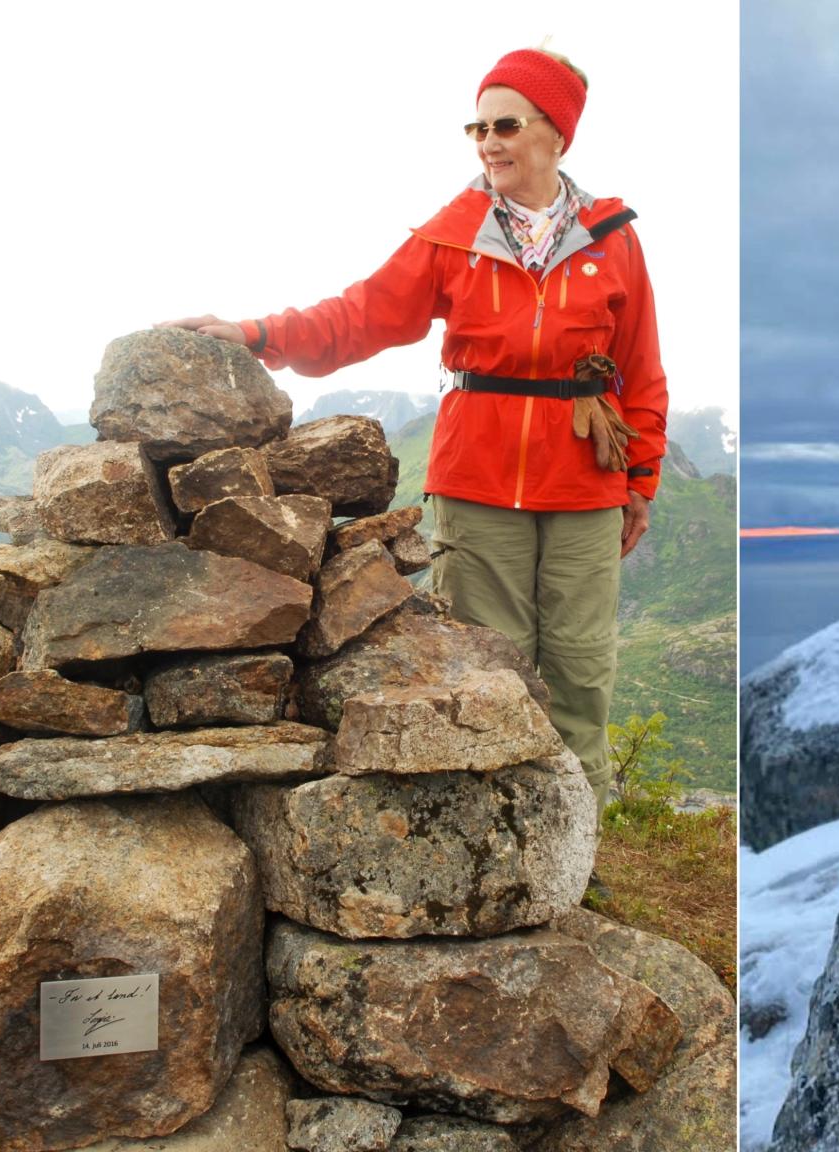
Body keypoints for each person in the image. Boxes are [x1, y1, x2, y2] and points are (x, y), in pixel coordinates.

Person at [159, 47, 667, 803]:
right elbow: (359, 316)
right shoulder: (455, 232)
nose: (487, 141)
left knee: (581, 669)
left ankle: (582, 854)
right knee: (492, 666)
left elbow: (643, 369)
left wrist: (641, 482)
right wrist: (257, 334)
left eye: (505, 124)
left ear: (555, 135)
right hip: (478, 478)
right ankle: (501, 833)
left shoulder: (612, 237)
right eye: (477, 128)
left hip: (585, 480)